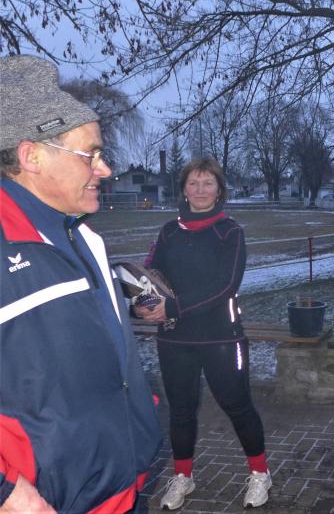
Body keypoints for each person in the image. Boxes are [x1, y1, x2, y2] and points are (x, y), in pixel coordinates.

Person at [0, 55, 161, 512]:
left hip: (123, 486)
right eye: (90, 154)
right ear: (32, 156)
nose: (105, 169)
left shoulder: (84, 238)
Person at [134, 158, 271, 510]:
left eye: (208, 183)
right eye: (193, 183)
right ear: (183, 189)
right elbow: (151, 276)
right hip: (174, 339)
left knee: (237, 405)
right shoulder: (169, 232)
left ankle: (260, 473)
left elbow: (225, 286)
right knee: (180, 410)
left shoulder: (230, 232)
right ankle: (183, 476)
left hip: (221, 338)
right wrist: (142, 304)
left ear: (219, 189)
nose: (200, 190)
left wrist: (173, 307)